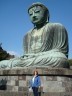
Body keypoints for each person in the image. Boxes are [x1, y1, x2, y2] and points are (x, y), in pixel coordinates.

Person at [0, 2, 69, 68]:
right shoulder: (27, 35)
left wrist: (37, 55)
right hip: (31, 60)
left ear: (46, 14)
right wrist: (26, 57)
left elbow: (60, 51)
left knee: (60, 58)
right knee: (2, 63)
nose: (33, 16)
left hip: (48, 57)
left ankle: (16, 65)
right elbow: (25, 55)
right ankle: (16, 64)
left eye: (37, 12)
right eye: (30, 14)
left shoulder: (57, 27)